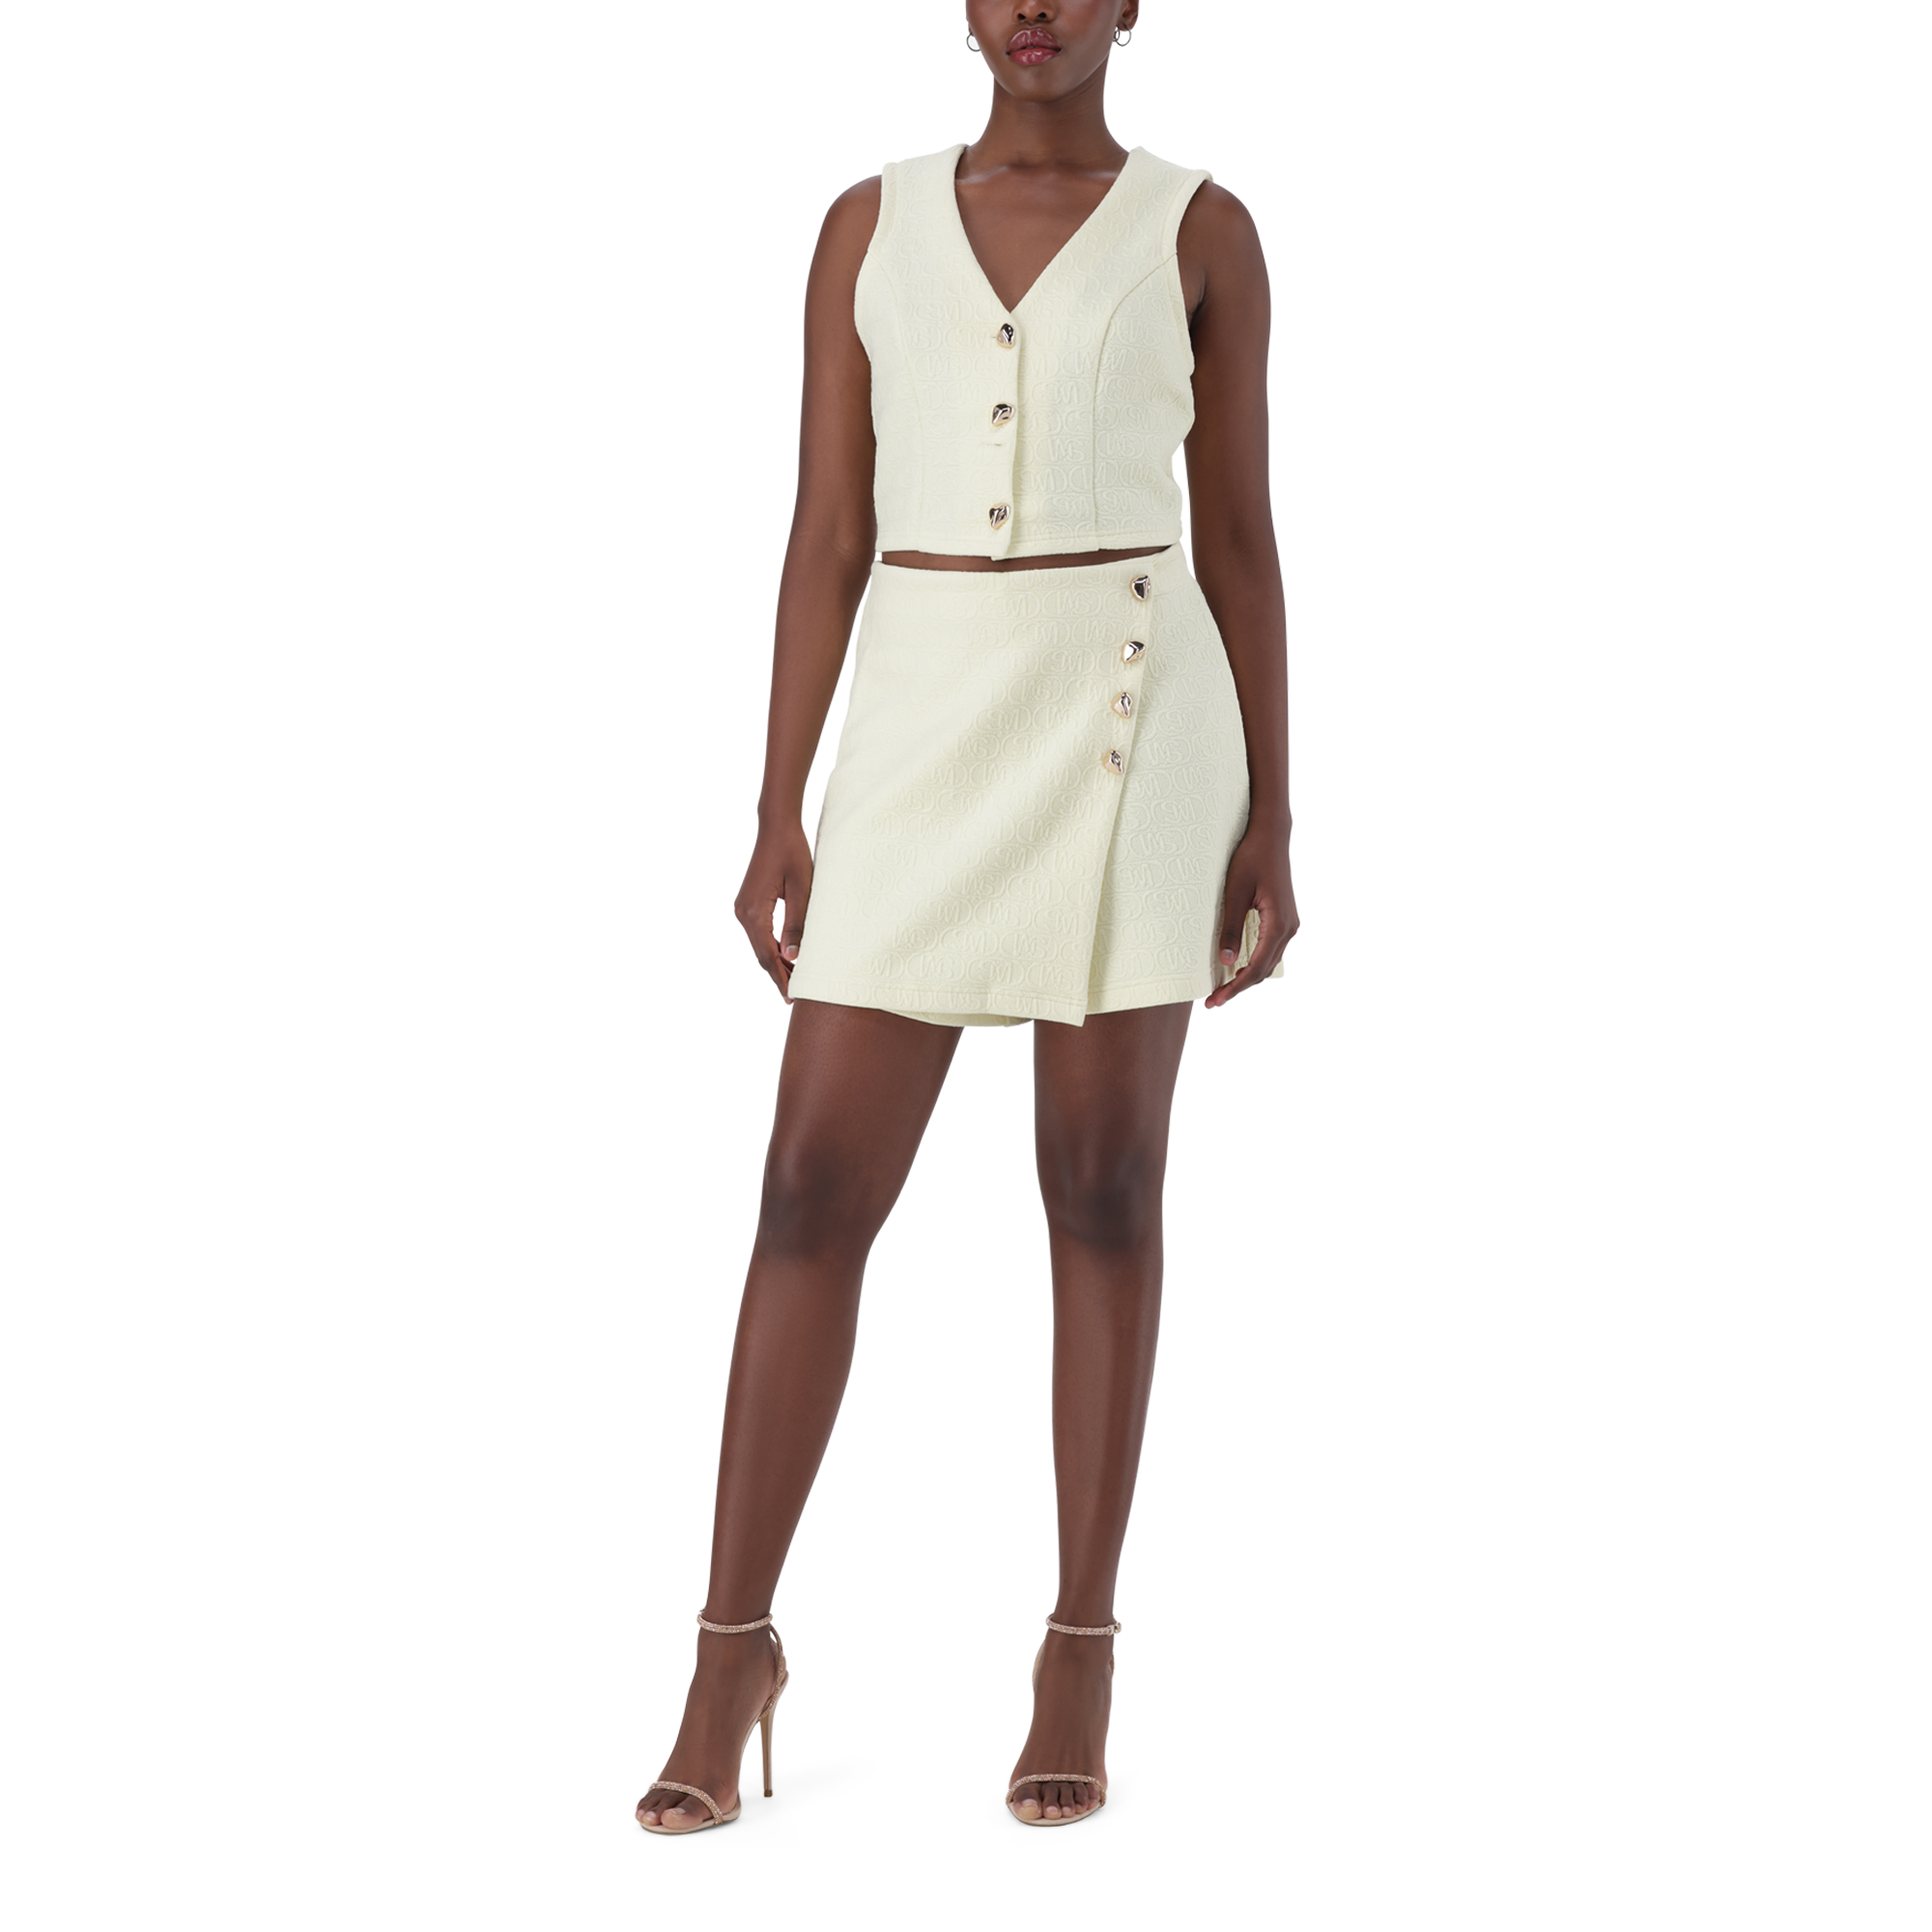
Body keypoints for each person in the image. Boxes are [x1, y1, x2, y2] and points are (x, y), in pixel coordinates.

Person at [638, 0, 1296, 1834]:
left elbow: (1237, 536)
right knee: (806, 1191)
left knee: (1102, 1181)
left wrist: (1274, 812)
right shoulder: (867, 223)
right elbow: (824, 532)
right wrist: (779, 805)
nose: (1034, 10)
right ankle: (728, 1654)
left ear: (1130, 7)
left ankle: (1077, 1644)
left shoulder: (1199, 229)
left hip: (1130, 717)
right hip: (921, 723)